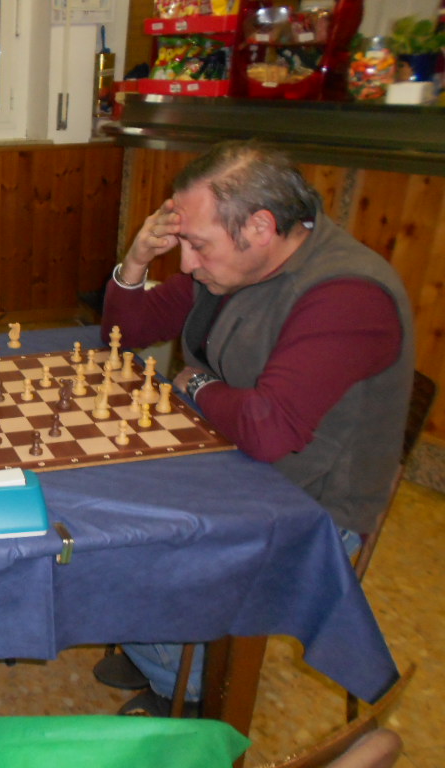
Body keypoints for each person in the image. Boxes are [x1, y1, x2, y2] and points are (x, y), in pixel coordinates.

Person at [92, 140, 414, 717]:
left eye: (196, 244)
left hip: (308, 508)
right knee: (99, 504)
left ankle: (189, 685)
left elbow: (269, 429)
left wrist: (195, 387)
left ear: (259, 226)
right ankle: (159, 646)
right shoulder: (235, 262)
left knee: (120, 550)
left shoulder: (346, 294)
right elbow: (128, 329)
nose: (186, 262)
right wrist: (135, 261)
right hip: (226, 459)